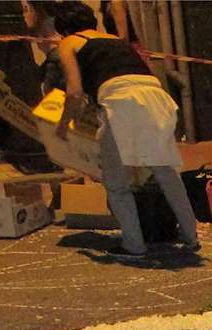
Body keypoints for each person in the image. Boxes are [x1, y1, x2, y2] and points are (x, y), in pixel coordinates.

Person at [53, 2, 199, 258]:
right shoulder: (115, 40)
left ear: (62, 28)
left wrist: (63, 126)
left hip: (121, 102)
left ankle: (133, 245)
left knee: (116, 182)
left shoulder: (68, 43)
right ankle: (191, 237)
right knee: (165, 172)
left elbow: (74, 91)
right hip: (154, 96)